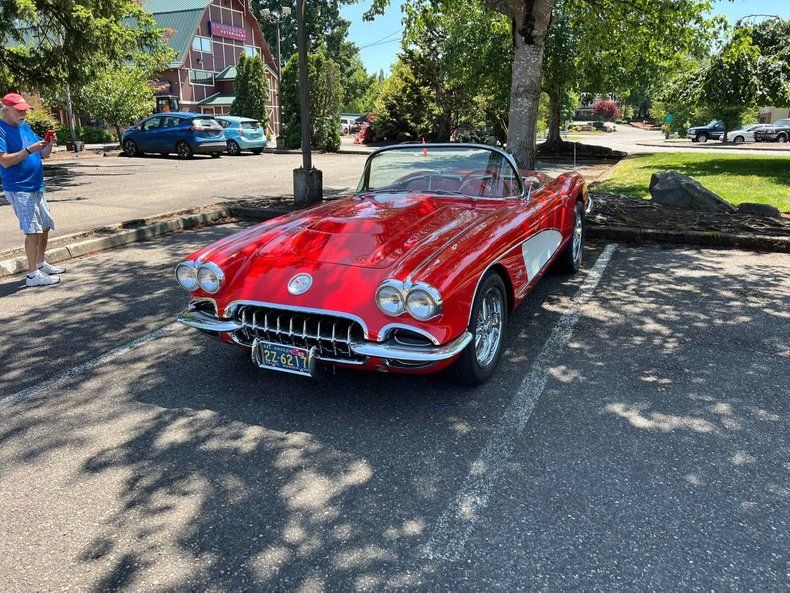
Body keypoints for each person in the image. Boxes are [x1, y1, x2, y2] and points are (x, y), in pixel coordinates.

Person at [0, 93, 64, 287]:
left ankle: (40, 263)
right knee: (32, 229)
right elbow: (4, 161)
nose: (23, 113)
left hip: (36, 185)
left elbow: (42, 153)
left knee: (44, 225)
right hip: (20, 188)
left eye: (25, 110)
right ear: (5, 110)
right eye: (19, 110)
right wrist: (29, 150)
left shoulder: (24, 127)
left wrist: (49, 145)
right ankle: (32, 275)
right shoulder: (1, 130)